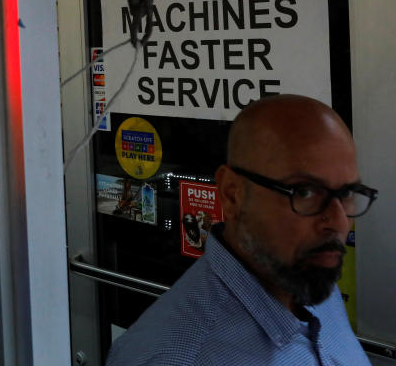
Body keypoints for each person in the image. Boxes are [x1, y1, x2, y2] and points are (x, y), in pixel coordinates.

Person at [106, 94, 376, 365]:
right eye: (305, 192)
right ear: (233, 194)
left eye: (348, 193)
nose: (339, 221)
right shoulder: (171, 357)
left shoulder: (312, 277)